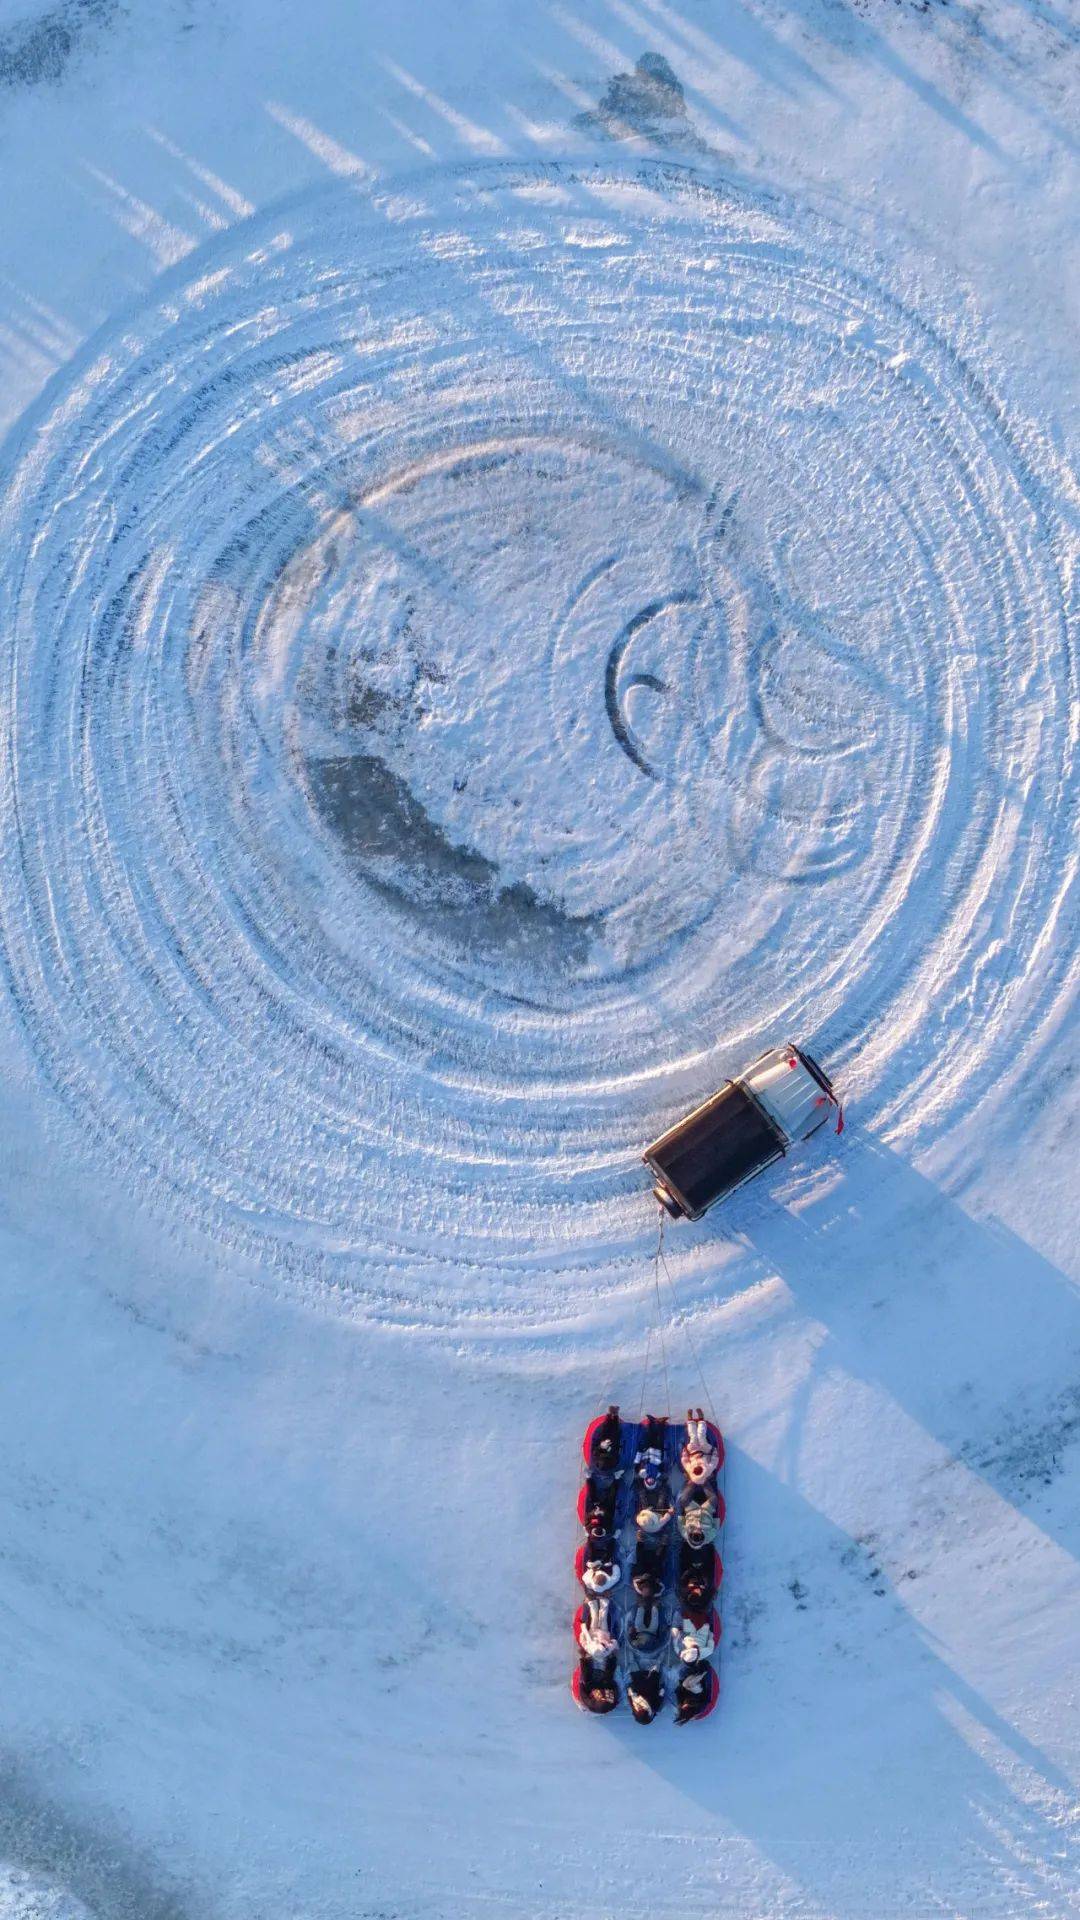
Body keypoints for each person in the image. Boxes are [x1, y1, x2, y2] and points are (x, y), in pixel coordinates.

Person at [680, 1409, 721, 1486]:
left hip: (693, 1452)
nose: (697, 1466)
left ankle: (690, 1420)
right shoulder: (707, 1471)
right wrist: (715, 1451)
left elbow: (684, 1461)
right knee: (701, 1437)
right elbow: (714, 1461)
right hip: (705, 1451)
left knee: (693, 1437)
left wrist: (684, 1452)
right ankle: (701, 1419)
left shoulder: (690, 1470)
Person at [676, 1482, 721, 1548]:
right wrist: (714, 1508)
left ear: (690, 1535)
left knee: (683, 1499)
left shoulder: (684, 1532)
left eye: (694, 1534)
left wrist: (683, 1506)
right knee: (714, 1499)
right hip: (707, 1510)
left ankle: (693, 1481)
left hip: (691, 1509)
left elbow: (681, 1516)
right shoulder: (711, 1535)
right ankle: (704, 1481)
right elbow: (717, 1518)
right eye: (699, 1535)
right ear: (702, 1537)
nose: (697, 1530)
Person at [576, 1596, 619, 1661]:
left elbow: (582, 1641)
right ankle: (604, 1600)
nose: (603, 1644)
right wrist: (611, 1642)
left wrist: (583, 1632)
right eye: (603, 1645)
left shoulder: (590, 1648)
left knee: (594, 1616)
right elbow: (614, 1644)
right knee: (603, 1617)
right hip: (604, 1632)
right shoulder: (606, 1651)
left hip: (593, 1631)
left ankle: (592, 1601)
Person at [677, 1543, 718, 1610]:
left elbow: (682, 1578)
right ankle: (704, 1544)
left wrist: (689, 1572)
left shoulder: (683, 1589)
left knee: (692, 1559)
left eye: (694, 1591)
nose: (696, 1589)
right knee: (701, 1559)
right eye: (698, 1592)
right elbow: (710, 1582)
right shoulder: (707, 1590)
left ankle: (691, 1544)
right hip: (703, 1568)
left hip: (690, 1567)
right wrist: (704, 1579)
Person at [633, 1415, 667, 1490]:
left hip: (646, 1450)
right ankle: (661, 1423)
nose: (650, 1480)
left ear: (646, 1481)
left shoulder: (641, 1473)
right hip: (657, 1451)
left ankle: (651, 1421)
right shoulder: (658, 1473)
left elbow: (637, 1461)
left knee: (648, 1435)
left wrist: (639, 1451)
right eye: (652, 1482)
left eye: (649, 1482)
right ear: (655, 1481)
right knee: (659, 1437)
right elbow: (662, 1462)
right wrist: (663, 1452)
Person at [589, 1406, 624, 1477]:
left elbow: (595, 1452)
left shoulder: (596, 1461)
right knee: (614, 1430)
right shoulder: (613, 1463)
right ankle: (615, 1415)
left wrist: (601, 1446)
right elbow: (616, 1454)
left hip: (604, 1440)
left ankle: (610, 1414)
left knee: (605, 1429)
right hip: (613, 1442)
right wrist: (609, 1448)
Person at [582, 1474, 617, 1539]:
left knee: (591, 1496)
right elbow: (610, 1518)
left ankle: (589, 1478)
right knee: (611, 1498)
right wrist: (603, 1513)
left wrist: (593, 1513)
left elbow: (586, 1518)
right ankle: (616, 1479)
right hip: (605, 1509)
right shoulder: (607, 1528)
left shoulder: (589, 1528)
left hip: (594, 1508)